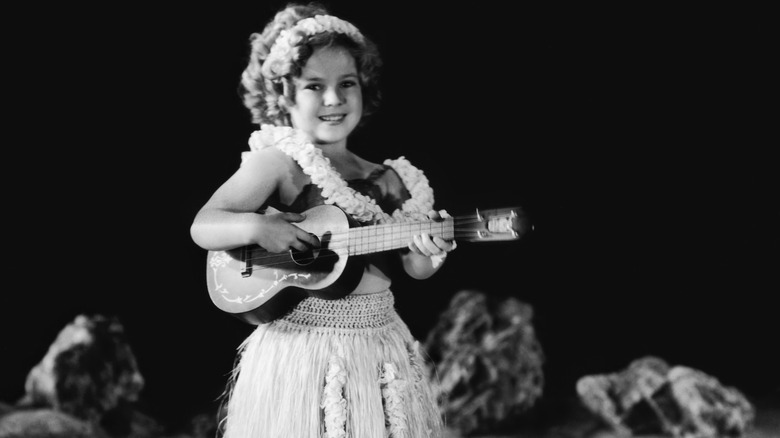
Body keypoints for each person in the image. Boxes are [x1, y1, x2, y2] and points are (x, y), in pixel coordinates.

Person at [190, 3, 455, 437]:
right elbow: (204, 225)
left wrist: (432, 253)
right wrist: (261, 228)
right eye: (315, 85)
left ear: (364, 87)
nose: (334, 99)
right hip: (302, 348)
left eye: (347, 83)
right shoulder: (278, 164)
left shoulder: (390, 178)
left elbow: (414, 268)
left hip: (377, 346)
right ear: (284, 95)